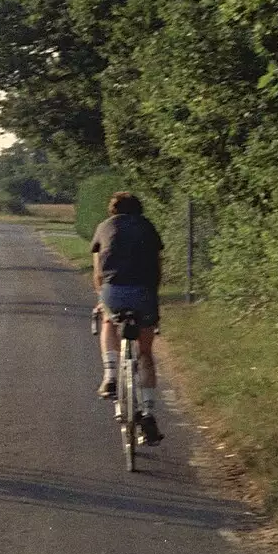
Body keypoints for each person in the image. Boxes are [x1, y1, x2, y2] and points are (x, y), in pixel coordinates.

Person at [91, 190, 165, 444]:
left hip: (115, 291)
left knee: (108, 322)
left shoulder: (104, 227)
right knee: (145, 353)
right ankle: (148, 412)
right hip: (144, 292)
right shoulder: (147, 227)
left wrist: (102, 299)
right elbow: (158, 266)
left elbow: (98, 271)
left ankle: (110, 375)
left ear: (113, 210)